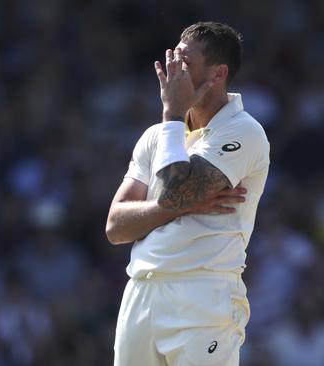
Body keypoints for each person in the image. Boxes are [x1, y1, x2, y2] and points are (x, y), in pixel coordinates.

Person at [105, 22, 269, 365]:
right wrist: (179, 205)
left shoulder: (245, 131)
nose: (173, 70)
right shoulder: (157, 135)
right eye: (173, 59)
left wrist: (173, 115)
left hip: (203, 293)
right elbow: (116, 226)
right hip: (142, 288)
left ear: (218, 73)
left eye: (185, 62)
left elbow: (173, 191)